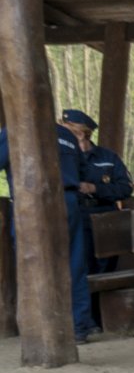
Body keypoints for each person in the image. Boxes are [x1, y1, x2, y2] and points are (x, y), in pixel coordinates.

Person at [0, 111, 95, 340]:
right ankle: (79, 327)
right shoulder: (68, 135)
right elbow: (83, 169)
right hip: (68, 202)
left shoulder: (12, 131)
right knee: (74, 263)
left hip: (31, 203)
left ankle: (40, 328)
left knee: (32, 262)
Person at [63, 109, 134, 275]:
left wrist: (95, 188)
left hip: (106, 216)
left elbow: (125, 187)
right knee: (82, 268)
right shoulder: (64, 157)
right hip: (78, 215)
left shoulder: (108, 158)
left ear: (81, 133)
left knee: (107, 268)